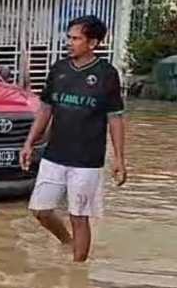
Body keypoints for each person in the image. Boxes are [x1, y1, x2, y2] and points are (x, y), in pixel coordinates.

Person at [19, 15, 127, 263]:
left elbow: (115, 118)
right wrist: (29, 143)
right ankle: (66, 241)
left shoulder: (106, 74)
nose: (70, 42)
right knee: (40, 211)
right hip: (54, 154)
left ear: (93, 43)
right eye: (69, 37)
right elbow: (45, 109)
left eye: (76, 38)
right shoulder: (59, 69)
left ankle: (78, 274)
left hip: (87, 160)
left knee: (79, 215)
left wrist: (119, 159)